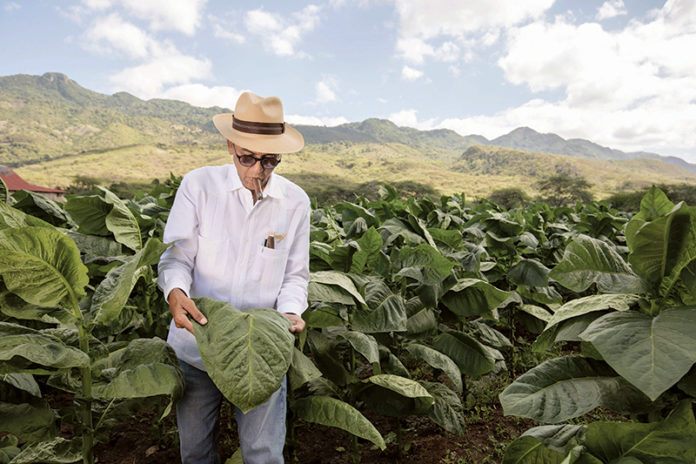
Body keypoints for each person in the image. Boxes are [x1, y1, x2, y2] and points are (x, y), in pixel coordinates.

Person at [157, 91, 310, 464]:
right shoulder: (199, 187)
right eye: (248, 158)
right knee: (195, 452)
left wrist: (290, 311)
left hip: (261, 351)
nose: (259, 170)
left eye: (270, 160)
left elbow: (295, 275)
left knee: (262, 454)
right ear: (230, 145)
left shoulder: (295, 202)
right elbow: (176, 258)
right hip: (198, 344)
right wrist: (175, 293)